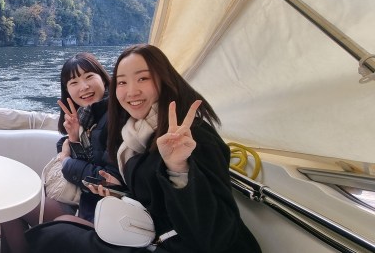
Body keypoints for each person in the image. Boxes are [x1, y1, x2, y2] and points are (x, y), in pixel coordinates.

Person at [26, 44, 261, 253]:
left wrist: (178, 169)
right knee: (53, 235)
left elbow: (214, 236)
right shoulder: (133, 132)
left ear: (164, 79)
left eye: (142, 79)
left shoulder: (190, 137)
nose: (131, 91)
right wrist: (120, 190)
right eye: (123, 82)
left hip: (177, 244)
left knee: (51, 237)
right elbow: (152, 196)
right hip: (144, 231)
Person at [0, 52, 124, 253]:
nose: (83, 87)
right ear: (67, 91)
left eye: (89, 77)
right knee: (9, 204)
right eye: (74, 82)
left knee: (9, 205)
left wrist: (66, 159)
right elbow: (76, 152)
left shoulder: (114, 118)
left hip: (98, 213)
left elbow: (101, 177)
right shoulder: (87, 117)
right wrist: (73, 138)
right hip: (83, 203)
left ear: (104, 78)